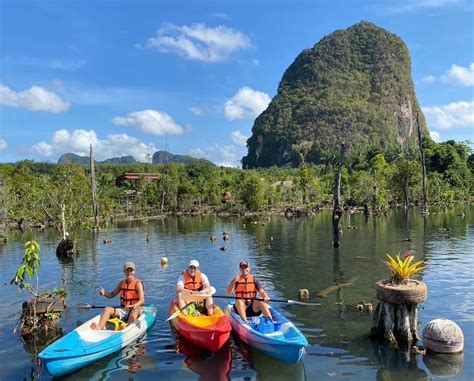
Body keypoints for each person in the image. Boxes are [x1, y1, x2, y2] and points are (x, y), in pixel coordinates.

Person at [91, 261, 145, 330]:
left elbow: (142, 300)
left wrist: (132, 306)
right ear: (124, 272)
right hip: (123, 309)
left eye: (131, 271)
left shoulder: (138, 284)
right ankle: (100, 328)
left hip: (134, 310)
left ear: (134, 272)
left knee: (136, 309)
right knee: (107, 309)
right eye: (127, 271)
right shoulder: (121, 283)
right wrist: (104, 293)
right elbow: (112, 294)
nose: (129, 273)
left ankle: (126, 328)